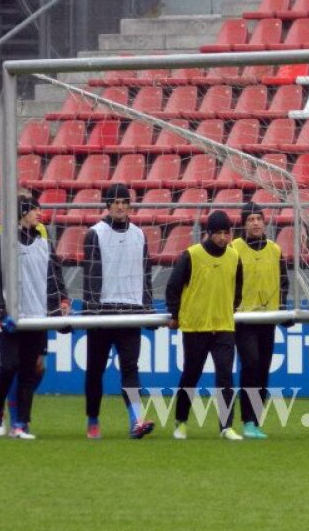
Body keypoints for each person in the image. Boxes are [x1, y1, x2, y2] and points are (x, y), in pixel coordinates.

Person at [0, 196, 70, 440]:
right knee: (9, 365)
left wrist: (61, 302)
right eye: (34, 209)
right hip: (9, 315)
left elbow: (54, 274)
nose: (39, 213)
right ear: (22, 212)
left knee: (31, 369)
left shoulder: (43, 241)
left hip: (36, 314)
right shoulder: (0, 241)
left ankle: (20, 424)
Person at [81, 183, 155, 441]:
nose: (120, 207)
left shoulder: (139, 234)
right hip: (103, 312)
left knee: (130, 368)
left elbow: (146, 273)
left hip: (130, 311)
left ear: (130, 205)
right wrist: (91, 310)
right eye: (116, 202)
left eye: (124, 202)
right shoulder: (95, 234)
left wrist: (147, 307)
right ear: (108, 206)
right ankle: (93, 419)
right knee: (95, 370)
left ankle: (136, 420)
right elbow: (90, 276)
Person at [166, 210, 242, 441]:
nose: (222, 237)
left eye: (226, 233)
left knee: (225, 377)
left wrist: (227, 309)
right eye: (218, 233)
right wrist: (175, 314)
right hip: (196, 327)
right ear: (208, 233)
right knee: (191, 375)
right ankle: (180, 421)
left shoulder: (234, 257)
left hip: (224, 327)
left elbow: (238, 291)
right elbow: (173, 287)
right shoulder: (191, 255)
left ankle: (226, 427)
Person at [232, 201, 291, 440]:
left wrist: (282, 309)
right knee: (251, 364)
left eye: (258, 219)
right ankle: (247, 420)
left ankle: (255, 421)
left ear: (264, 223)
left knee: (263, 369)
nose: (255, 223)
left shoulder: (275, 250)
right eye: (250, 219)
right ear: (244, 224)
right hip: (243, 318)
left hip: (268, 318)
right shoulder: (234, 249)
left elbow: (284, 282)